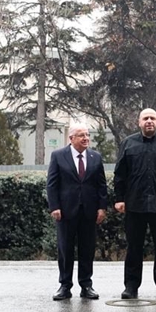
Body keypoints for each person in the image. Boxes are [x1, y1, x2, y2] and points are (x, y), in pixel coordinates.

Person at [113, 108, 156, 300]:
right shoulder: (128, 144)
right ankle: (131, 286)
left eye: (152, 118)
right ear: (139, 122)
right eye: (145, 118)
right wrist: (119, 198)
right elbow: (120, 174)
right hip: (135, 205)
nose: (149, 121)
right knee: (134, 248)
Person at [45, 122, 109, 300]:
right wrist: (54, 206)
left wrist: (102, 207)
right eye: (81, 135)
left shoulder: (95, 157)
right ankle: (65, 286)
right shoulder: (58, 156)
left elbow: (101, 185)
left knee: (87, 249)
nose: (86, 138)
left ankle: (86, 285)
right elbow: (52, 184)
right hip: (65, 211)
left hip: (89, 211)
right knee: (65, 249)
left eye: (87, 135)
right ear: (71, 138)